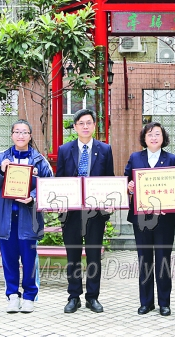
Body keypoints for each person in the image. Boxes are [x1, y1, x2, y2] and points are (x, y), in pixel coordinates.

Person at [0, 120, 52, 314]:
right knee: (9, 259)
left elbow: (50, 186)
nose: (21, 135)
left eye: (25, 132)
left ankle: (29, 296)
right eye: (17, 132)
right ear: (12, 135)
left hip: (28, 217)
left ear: (30, 136)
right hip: (6, 218)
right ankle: (12, 295)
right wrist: (1, 171)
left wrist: (33, 197)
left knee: (29, 259)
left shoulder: (39, 160)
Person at [56, 108, 115, 314]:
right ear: (75, 127)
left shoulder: (105, 149)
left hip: (95, 213)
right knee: (72, 255)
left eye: (89, 122)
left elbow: (109, 179)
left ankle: (92, 297)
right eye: (81, 123)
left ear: (94, 125)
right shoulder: (65, 150)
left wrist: (109, 203)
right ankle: (74, 297)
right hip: (71, 212)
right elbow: (59, 180)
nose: (85, 126)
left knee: (93, 256)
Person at [124, 122, 175, 317]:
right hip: (141, 219)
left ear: (163, 138)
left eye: (157, 134)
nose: (154, 137)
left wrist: (171, 203)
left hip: (165, 220)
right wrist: (129, 187)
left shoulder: (172, 159)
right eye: (150, 134)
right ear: (144, 138)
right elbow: (126, 181)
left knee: (163, 260)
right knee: (144, 260)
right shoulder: (135, 157)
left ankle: (164, 303)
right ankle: (146, 302)